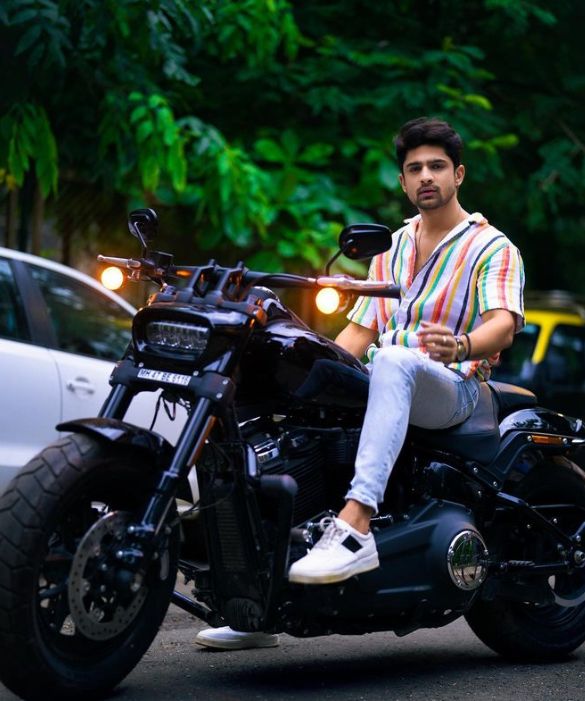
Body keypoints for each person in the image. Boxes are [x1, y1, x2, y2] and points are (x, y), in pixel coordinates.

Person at [195, 116, 525, 649]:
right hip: (389, 378)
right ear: (401, 181)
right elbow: (358, 331)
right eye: (414, 168)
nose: (425, 177)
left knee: (394, 358)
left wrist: (461, 345)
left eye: (437, 166)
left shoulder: (491, 246)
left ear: (458, 174)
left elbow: (503, 323)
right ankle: (257, 602)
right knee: (290, 392)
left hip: (454, 385)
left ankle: (356, 524)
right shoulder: (391, 245)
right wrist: (312, 378)